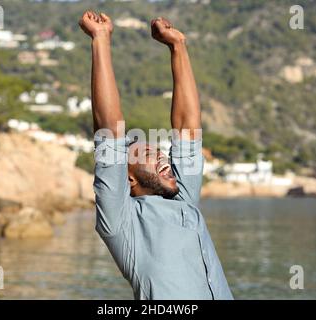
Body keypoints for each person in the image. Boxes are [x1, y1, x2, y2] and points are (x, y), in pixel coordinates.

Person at [79, 10, 233, 300]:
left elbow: (187, 128)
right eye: (148, 152)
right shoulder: (122, 223)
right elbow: (109, 131)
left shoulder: (182, 199)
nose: (162, 155)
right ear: (128, 178)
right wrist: (100, 40)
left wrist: (177, 46)